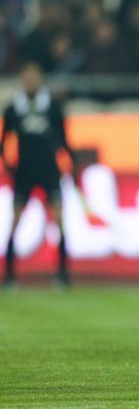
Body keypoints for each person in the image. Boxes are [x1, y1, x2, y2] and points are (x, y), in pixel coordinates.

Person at [1, 62, 76, 289]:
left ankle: (62, 275)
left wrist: (71, 166)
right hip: (24, 171)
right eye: (27, 77)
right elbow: (4, 142)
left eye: (33, 77)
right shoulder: (14, 109)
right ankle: (9, 276)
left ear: (40, 79)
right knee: (14, 221)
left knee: (60, 221)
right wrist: (10, 168)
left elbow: (63, 140)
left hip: (49, 170)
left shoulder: (53, 106)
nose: (30, 81)